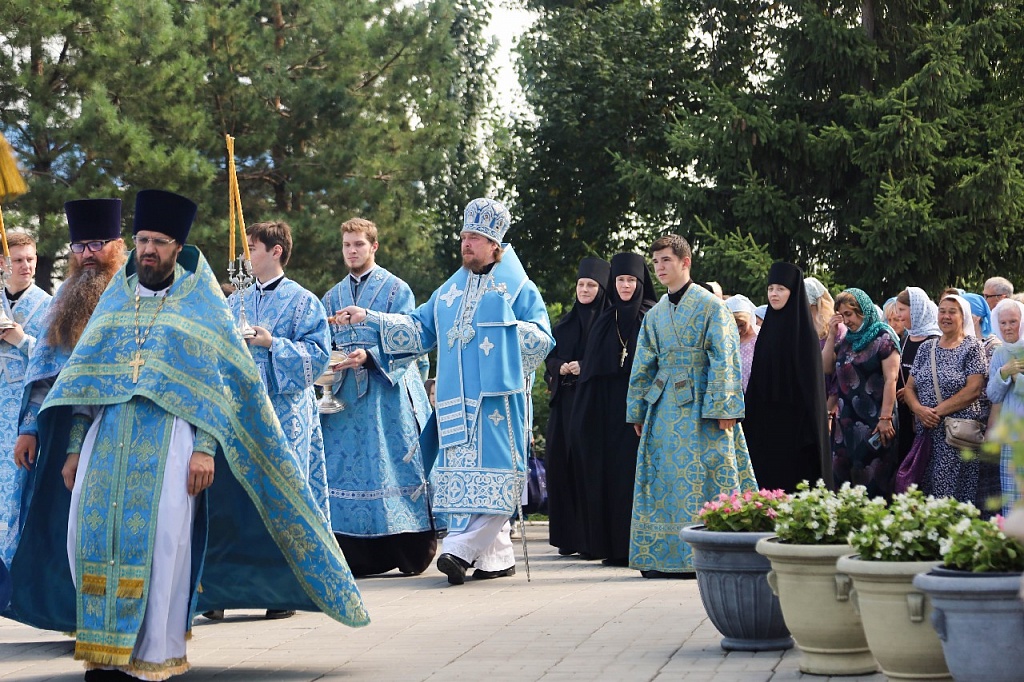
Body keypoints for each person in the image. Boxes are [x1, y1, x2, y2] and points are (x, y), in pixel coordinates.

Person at [6, 190, 369, 680]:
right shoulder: (116, 300)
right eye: (142, 239)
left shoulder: (203, 304)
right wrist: (72, 449)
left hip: (174, 440)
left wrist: (204, 450)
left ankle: (153, 654)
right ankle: (104, 652)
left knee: (164, 545)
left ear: (177, 245)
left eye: (157, 241)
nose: (148, 249)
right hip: (106, 441)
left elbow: (221, 386)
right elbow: (86, 380)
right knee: (90, 537)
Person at [335, 198, 552, 586]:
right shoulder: (450, 290)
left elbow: (541, 339)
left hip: (496, 403)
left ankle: (460, 550)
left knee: (499, 478)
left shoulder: (518, 287)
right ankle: (496, 558)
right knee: (464, 483)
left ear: (494, 244)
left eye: (475, 238)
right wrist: (370, 317)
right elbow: (418, 330)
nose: (466, 244)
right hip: (455, 404)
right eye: (464, 236)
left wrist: (503, 328)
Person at [218, 220, 331, 619]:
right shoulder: (234, 302)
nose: (246, 255)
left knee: (279, 495)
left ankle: (283, 589)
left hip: (285, 415)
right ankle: (222, 589)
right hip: (240, 414)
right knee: (235, 496)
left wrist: (272, 344)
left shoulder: (304, 302)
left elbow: (318, 357)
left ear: (276, 251)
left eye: (252, 248)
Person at [627, 234, 756, 578]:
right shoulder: (654, 315)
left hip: (704, 406)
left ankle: (716, 554)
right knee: (663, 475)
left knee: (710, 473)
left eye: (666, 260)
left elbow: (725, 358)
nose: (659, 268)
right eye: (655, 262)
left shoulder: (713, 307)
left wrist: (724, 406)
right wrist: (638, 409)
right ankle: (663, 556)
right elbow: (643, 363)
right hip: (665, 406)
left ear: (685, 262)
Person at [321, 217, 435, 577]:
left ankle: (407, 551)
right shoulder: (332, 296)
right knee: (344, 469)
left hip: (387, 395)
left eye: (358, 244)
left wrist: (370, 357)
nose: (352, 251)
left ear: (374, 247)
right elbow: (324, 342)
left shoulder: (397, 290)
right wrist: (330, 360)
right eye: (346, 245)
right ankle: (354, 555)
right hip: (343, 398)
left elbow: (412, 339)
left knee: (391, 464)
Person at [13, 199, 127, 487]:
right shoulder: (65, 294)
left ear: (117, 244)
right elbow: (45, 367)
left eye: (96, 244)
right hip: (67, 420)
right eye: (79, 246)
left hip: (123, 417)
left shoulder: (133, 290)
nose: (87, 254)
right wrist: (28, 429)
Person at [570, 253, 655, 565]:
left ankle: (636, 546)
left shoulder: (652, 317)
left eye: (631, 280)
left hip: (638, 415)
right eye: (620, 280)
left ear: (641, 282)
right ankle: (610, 546)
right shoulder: (605, 320)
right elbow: (592, 371)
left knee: (631, 479)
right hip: (606, 413)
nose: (625, 285)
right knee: (606, 478)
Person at [902, 294, 997, 511]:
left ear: (962, 316)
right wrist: (918, 410)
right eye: (942, 311)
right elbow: (909, 388)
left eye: (952, 312)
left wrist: (934, 412)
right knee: (924, 492)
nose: (946, 316)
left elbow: (973, 389)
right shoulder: (928, 347)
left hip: (956, 435)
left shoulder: (972, 347)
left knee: (953, 496)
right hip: (926, 434)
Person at [743, 262, 831, 492]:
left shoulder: (804, 335)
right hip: (766, 427)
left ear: (793, 293)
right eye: (771, 288)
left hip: (796, 431)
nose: (774, 294)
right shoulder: (767, 331)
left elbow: (811, 390)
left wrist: (807, 431)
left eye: (780, 289)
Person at [544, 256, 610, 557]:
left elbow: (609, 360)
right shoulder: (564, 324)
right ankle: (567, 537)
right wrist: (560, 367)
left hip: (593, 407)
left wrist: (585, 366)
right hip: (565, 405)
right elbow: (549, 359)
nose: (584, 290)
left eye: (591, 285)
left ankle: (590, 539)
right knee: (561, 465)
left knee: (589, 467)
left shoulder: (608, 324)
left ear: (601, 288)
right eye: (581, 284)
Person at [0, 232, 51, 566]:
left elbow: (56, 364)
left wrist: (20, 339)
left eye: (31, 259)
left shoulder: (48, 305)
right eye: (18, 260)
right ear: (3, 264)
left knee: (18, 499)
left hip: (22, 419)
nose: (26, 266)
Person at [823, 289, 900, 497]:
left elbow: (891, 379)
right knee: (843, 483)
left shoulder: (883, 337)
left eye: (849, 314)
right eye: (842, 315)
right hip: (845, 421)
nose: (846, 321)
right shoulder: (848, 340)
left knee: (873, 484)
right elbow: (826, 367)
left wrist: (885, 418)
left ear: (863, 311)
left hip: (875, 421)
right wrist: (831, 334)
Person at [893, 287, 942, 464]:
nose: (898, 316)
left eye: (902, 310)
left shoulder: (935, 340)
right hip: (906, 415)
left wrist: (911, 392)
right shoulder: (905, 339)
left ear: (917, 309)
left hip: (927, 415)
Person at [987, 299, 1024, 515]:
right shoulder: (1000, 353)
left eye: (1013, 321)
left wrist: (1016, 377)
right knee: (1011, 498)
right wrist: (1003, 373)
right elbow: (993, 394)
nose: (1008, 327)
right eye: (1003, 323)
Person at [724, 294, 758, 392]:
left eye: (742, 325)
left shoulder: (760, 338)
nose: (738, 330)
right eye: (733, 325)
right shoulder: (724, 341)